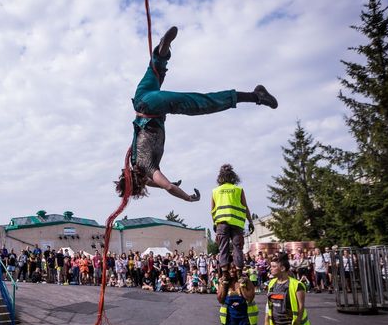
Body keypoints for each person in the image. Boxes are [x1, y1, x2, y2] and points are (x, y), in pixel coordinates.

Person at [115, 26, 278, 202]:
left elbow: (166, 186)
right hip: (141, 98)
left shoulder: (146, 167)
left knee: (203, 103)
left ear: (139, 183)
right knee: (155, 69)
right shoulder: (135, 164)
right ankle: (162, 51)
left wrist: (187, 197)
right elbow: (151, 182)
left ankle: (256, 96)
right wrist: (166, 182)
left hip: (153, 108)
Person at [211, 164, 255, 280]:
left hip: (221, 224)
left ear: (220, 177)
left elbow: (212, 210)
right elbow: (245, 208)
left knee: (223, 248)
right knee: (237, 248)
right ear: (233, 177)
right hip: (236, 225)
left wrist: (215, 224)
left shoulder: (215, 191)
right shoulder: (238, 190)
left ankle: (225, 274)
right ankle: (240, 273)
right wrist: (250, 222)